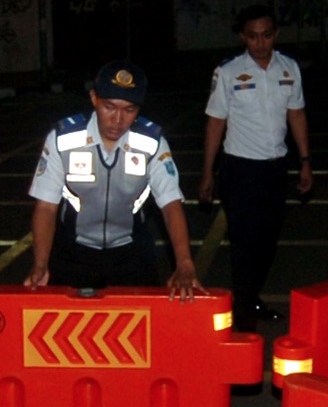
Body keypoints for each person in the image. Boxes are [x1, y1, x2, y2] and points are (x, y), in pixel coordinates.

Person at [26, 61, 205, 299]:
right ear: (94, 99)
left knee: (141, 329)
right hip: (73, 254)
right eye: (109, 107)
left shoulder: (152, 143)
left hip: (132, 254)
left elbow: (171, 205)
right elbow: (46, 206)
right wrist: (40, 264)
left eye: (129, 110)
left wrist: (184, 263)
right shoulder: (63, 139)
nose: (118, 119)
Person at [198, 5, 312, 330]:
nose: (260, 43)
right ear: (242, 37)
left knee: (267, 243)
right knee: (244, 245)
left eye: (265, 35)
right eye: (252, 36)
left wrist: (305, 162)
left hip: (276, 170)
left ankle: (251, 297)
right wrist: (208, 171)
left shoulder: (289, 68)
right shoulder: (229, 72)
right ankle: (244, 315)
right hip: (240, 170)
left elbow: (297, 115)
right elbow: (215, 122)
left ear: (274, 34)